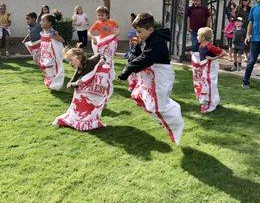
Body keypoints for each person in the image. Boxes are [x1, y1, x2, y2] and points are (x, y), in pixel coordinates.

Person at [118, 13, 184, 145]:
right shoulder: (145, 39)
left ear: (150, 30)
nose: (138, 34)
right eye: (137, 31)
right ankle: (164, 120)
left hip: (161, 76)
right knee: (141, 97)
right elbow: (137, 54)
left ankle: (175, 121)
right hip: (153, 74)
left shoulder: (157, 42)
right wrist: (134, 50)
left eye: (140, 31)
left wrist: (127, 70)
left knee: (158, 106)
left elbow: (145, 58)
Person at [53, 47, 109, 131]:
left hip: (97, 89)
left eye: (71, 60)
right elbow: (69, 85)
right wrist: (76, 83)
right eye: (68, 61)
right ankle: (80, 120)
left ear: (78, 58)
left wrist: (102, 60)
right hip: (89, 92)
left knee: (94, 107)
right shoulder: (79, 71)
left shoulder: (91, 61)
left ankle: (93, 120)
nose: (70, 63)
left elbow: (101, 54)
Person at [192, 27, 226, 113]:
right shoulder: (201, 45)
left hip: (211, 68)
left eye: (198, 35)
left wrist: (213, 58)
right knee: (206, 84)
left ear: (203, 37)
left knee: (210, 84)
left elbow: (223, 53)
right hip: (205, 68)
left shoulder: (210, 46)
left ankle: (210, 104)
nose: (196, 37)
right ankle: (214, 100)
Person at [40, 14, 65, 90]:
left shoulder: (52, 32)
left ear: (49, 23)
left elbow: (62, 40)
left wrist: (54, 36)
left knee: (53, 68)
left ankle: (55, 84)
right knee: (47, 68)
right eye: (41, 20)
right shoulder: (44, 31)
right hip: (47, 54)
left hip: (53, 56)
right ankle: (50, 81)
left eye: (43, 21)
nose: (40, 22)